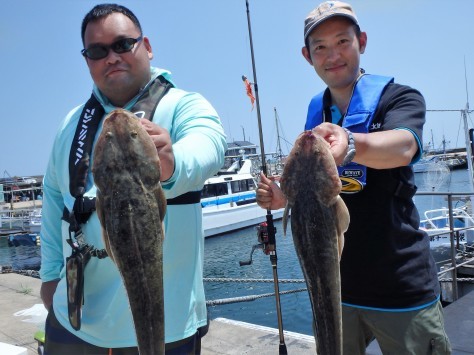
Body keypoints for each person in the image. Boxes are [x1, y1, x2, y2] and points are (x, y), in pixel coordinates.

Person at [256, 1, 452, 354]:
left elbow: (405, 146)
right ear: (307, 56)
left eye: (342, 41)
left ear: (361, 41)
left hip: (400, 286)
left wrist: (352, 145)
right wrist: (282, 196)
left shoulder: (399, 97)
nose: (333, 55)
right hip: (333, 291)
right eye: (320, 47)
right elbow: (318, 189)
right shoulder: (316, 114)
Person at [39, 3, 227, 354]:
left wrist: (172, 163)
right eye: (98, 51)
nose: (112, 57)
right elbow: (53, 200)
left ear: (148, 47)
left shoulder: (185, 105)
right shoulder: (70, 125)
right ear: (87, 61)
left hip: (167, 328)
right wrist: (49, 275)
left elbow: (211, 146)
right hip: (73, 321)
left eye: (124, 44)